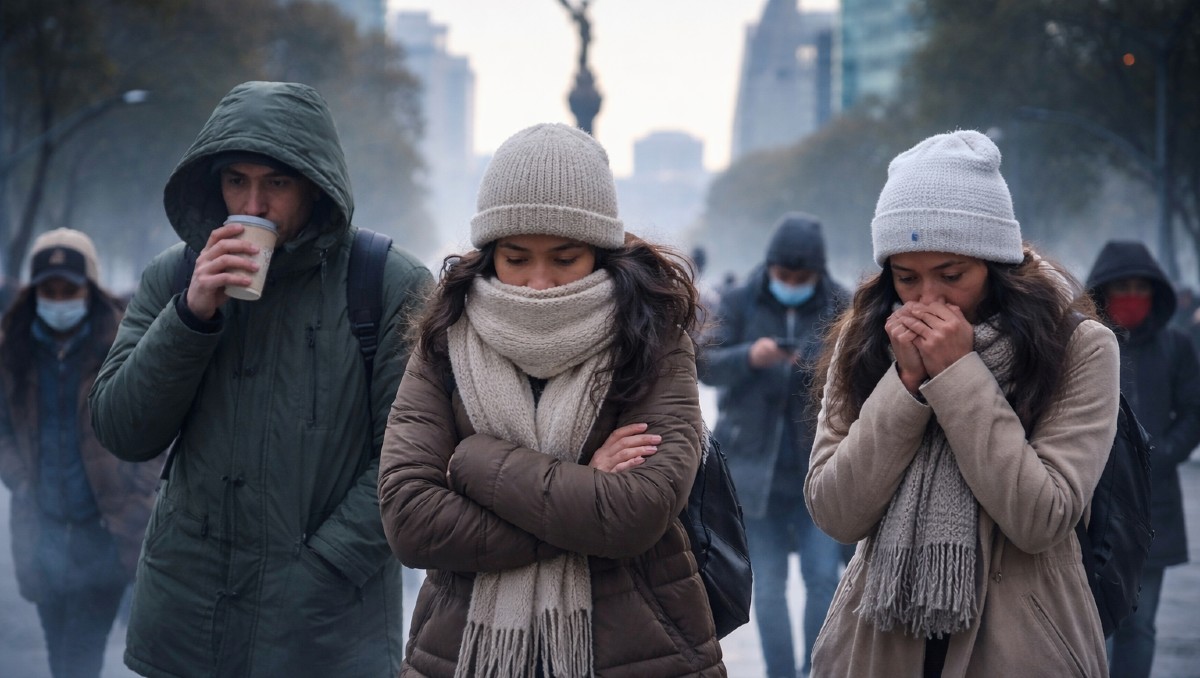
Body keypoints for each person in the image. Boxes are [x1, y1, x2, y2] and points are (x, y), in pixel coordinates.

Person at [88, 81, 432, 677]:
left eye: (277, 182)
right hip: (187, 623)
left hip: (323, 633)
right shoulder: (175, 275)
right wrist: (191, 316)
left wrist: (319, 568)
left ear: (315, 186)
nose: (253, 204)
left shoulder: (386, 284)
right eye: (235, 180)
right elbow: (122, 430)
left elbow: (408, 460)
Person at [378, 122, 724, 677]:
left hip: (637, 649)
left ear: (601, 253)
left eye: (564, 259)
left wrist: (474, 462)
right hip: (463, 649)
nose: (539, 283)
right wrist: (581, 487)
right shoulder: (445, 340)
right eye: (517, 258)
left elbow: (638, 513)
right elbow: (410, 519)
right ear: (488, 255)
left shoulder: (653, 340)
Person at [804, 130, 1120, 677]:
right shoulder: (867, 340)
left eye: (952, 276)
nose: (928, 299)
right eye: (907, 278)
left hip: (1023, 646)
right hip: (878, 643)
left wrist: (955, 375)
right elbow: (835, 511)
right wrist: (904, 384)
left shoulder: (1079, 347)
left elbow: (1042, 517)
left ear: (996, 267)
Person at [0, 228, 159, 678]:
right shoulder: (13, 349)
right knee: (58, 654)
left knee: (80, 658)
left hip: (105, 531)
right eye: (48, 290)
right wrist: (19, 477)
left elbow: (155, 423)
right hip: (41, 530)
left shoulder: (123, 343)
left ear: (89, 287)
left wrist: (137, 486)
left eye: (68, 289)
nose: (58, 299)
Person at [698, 212, 848, 678]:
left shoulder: (841, 304)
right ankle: (782, 674)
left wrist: (813, 366)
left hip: (819, 471)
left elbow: (861, 375)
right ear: (770, 267)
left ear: (818, 274)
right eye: (784, 276)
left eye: (801, 278)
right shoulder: (738, 300)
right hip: (752, 474)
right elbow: (704, 364)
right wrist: (751, 356)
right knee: (767, 588)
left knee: (824, 579)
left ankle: (814, 670)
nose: (792, 284)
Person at [1085, 240, 1200, 678]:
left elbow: (1193, 411)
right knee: (1089, 626)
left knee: (1140, 626)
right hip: (1091, 505)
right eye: (1121, 288)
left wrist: (1161, 453)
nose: (1131, 297)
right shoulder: (1086, 344)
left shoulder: (1176, 347)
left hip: (1155, 510)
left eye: (1140, 287)